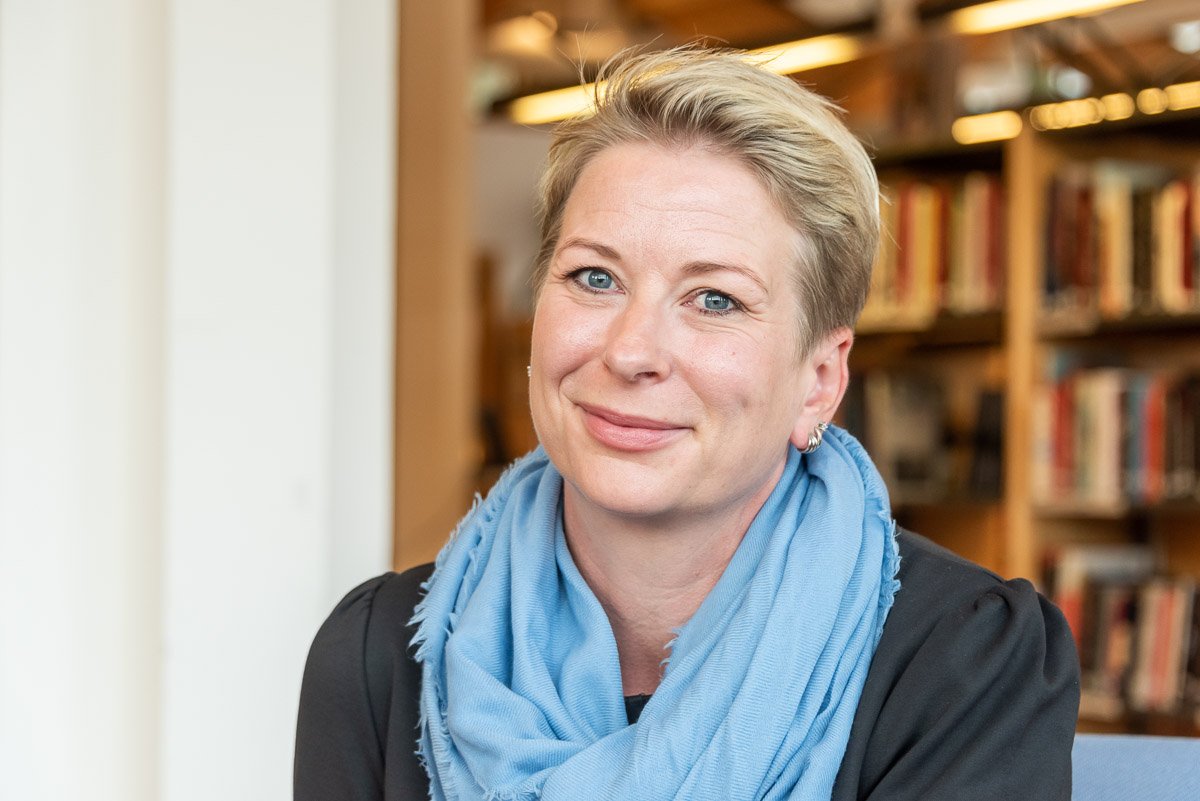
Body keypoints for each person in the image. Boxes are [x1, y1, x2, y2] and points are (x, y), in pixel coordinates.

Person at [294, 47, 1080, 801]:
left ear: (819, 381)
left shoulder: (963, 663)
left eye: (714, 299)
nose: (630, 351)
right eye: (594, 277)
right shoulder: (377, 658)